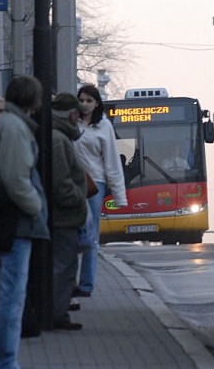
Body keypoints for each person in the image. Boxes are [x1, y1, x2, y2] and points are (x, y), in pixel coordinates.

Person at [0, 76, 49, 369]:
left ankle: (2, 359)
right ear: (32, 99)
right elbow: (15, 179)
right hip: (15, 222)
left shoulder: (8, 124)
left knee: (8, 294)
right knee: (12, 296)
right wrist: (36, 207)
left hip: (6, 221)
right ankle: (4, 361)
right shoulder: (14, 127)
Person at [73, 84, 127, 297]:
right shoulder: (71, 123)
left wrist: (119, 195)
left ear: (96, 103)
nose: (84, 104)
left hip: (94, 184)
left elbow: (112, 162)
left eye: (89, 100)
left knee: (90, 235)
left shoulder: (104, 127)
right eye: (82, 100)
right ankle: (68, 281)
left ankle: (86, 284)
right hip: (71, 183)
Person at [50, 93, 88, 330]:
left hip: (64, 215)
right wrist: (79, 199)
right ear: (72, 115)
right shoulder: (58, 140)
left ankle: (58, 312)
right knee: (62, 267)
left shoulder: (60, 137)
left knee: (65, 266)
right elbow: (60, 182)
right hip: (63, 215)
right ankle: (55, 314)